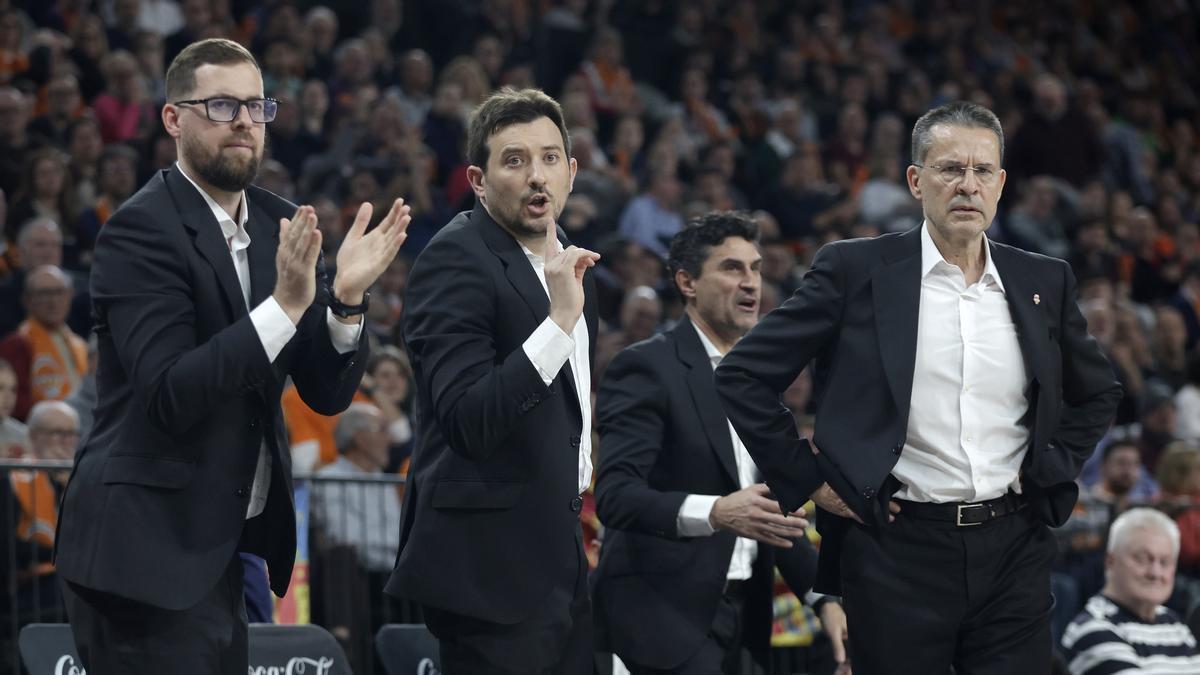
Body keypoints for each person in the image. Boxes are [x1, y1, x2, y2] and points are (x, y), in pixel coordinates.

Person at [713, 101, 1122, 675]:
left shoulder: (1041, 279)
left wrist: (1049, 469)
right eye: (950, 169)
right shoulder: (854, 271)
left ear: (1002, 184)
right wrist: (810, 480)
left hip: (1015, 546)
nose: (968, 185)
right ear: (915, 180)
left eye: (983, 171)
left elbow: (1098, 390)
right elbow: (742, 374)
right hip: (895, 548)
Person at [54, 38, 409, 674]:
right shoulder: (140, 232)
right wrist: (282, 306)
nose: (245, 121)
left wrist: (347, 300)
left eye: (256, 106)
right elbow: (170, 393)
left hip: (223, 550)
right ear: (172, 119)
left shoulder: (278, 223)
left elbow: (326, 393)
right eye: (221, 105)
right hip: (144, 551)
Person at [386, 87, 599, 674]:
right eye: (515, 160)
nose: (538, 176)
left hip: (562, 559)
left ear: (573, 172)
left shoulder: (572, 267)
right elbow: (469, 420)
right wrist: (558, 322)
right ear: (478, 180)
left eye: (551, 158)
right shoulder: (454, 259)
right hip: (490, 574)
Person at [592, 212, 818, 674]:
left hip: (745, 622)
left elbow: (773, 512)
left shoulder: (758, 384)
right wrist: (715, 512)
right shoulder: (646, 367)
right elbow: (616, 497)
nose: (751, 282)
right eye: (732, 268)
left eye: (755, 268)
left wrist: (825, 600)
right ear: (687, 282)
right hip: (661, 619)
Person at [1059, 507, 1200, 673]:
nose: (1155, 573)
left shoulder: (1173, 623)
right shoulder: (1094, 628)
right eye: (1142, 559)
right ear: (1111, 561)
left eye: (1165, 562)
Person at [0, 265, 88, 421]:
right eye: (44, 293)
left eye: (59, 292)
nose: (53, 300)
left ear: (71, 295)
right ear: (27, 300)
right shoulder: (17, 343)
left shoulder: (80, 344)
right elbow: (16, 405)